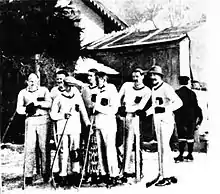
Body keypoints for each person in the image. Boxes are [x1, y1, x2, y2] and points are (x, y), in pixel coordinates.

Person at [50, 76, 91, 187]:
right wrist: (63, 115)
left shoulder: (77, 97)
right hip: (63, 128)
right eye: (68, 86)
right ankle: (63, 175)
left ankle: (75, 174)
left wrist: (87, 123)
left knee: (75, 152)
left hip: (75, 128)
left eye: (72, 86)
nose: (70, 88)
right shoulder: (59, 97)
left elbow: (83, 111)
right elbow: (53, 115)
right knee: (63, 152)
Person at [145, 65, 182, 186]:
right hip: (157, 120)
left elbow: (178, 103)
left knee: (164, 148)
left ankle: (165, 176)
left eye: (155, 75)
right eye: (151, 75)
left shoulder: (166, 88)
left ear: (160, 76)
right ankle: (166, 173)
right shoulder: (154, 88)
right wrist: (145, 113)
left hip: (166, 121)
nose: (152, 77)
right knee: (163, 148)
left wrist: (165, 109)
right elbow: (155, 106)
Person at [16, 73, 52, 186]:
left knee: (44, 147)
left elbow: (49, 103)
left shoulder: (44, 90)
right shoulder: (23, 92)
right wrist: (27, 108)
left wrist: (38, 104)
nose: (33, 83)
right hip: (31, 120)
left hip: (43, 119)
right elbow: (19, 109)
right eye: (30, 81)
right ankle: (28, 176)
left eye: (35, 81)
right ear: (27, 81)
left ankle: (46, 174)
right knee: (29, 147)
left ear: (38, 81)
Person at [118, 68, 151, 181]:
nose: (135, 79)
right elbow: (118, 98)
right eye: (134, 77)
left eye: (137, 76)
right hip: (124, 116)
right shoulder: (127, 85)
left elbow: (140, 107)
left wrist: (127, 108)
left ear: (142, 77)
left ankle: (138, 171)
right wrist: (120, 107)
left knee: (136, 144)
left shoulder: (147, 91)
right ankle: (124, 170)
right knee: (124, 144)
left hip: (135, 118)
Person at [89, 71, 120, 185]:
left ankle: (114, 174)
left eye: (98, 79)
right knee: (100, 151)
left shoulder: (111, 89)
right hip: (98, 123)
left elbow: (114, 109)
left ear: (104, 79)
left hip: (109, 124)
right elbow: (92, 106)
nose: (96, 81)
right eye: (95, 79)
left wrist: (98, 108)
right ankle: (104, 174)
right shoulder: (95, 90)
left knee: (110, 150)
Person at [174, 76, 203, 162]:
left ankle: (181, 155)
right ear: (187, 82)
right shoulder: (192, 93)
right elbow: (196, 106)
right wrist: (199, 118)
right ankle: (190, 154)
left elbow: (175, 106)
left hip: (180, 118)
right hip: (191, 118)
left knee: (181, 136)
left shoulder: (177, 92)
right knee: (190, 136)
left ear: (179, 82)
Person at [81, 68, 100, 184]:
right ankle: (86, 172)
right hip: (86, 120)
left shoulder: (100, 89)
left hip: (97, 119)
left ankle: (96, 173)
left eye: (91, 76)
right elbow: (84, 105)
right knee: (86, 147)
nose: (89, 78)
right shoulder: (85, 89)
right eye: (88, 76)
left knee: (95, 146)